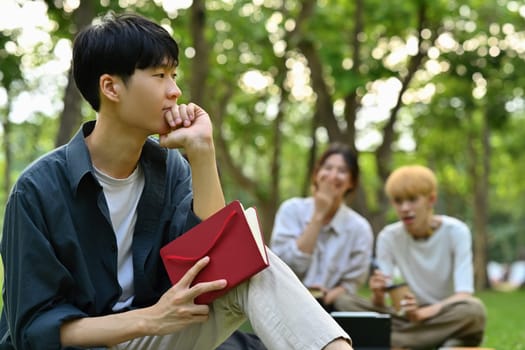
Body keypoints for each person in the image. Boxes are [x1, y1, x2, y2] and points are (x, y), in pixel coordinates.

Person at [0, 12, 353, 350]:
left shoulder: (168, 170)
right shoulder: (37, 191)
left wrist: (201, 150)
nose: (175, 91)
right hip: (97, 343)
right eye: (159, 76)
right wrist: (150, 318)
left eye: (174, 75)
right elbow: (33, 330)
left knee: (252, 261)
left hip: (156, 335)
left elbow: (220, 256)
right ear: (110, 87)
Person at [336, 165, 487, 349]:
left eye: (412, 200)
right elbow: (383, 305)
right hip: (404, 317)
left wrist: (424, 313)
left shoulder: (456, 231)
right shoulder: (388, 236)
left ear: (431, 199)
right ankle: (443, 343)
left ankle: (392, 342)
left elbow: (464, 294)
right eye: (398, 201)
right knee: (343, 301)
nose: (405, 208)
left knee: (473, 309)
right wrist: (377, 294)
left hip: (442, 314)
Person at [270, 143, 374, 312]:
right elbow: (285, 266)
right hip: (289, 302)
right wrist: (318, 215)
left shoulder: (360, 228)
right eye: (327, 168)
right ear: (317, 174)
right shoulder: (291, 210)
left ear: (352, 182)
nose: (333, 176)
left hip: (333, 309)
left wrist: (331, 295)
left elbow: (352, 282)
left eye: (342, 171)